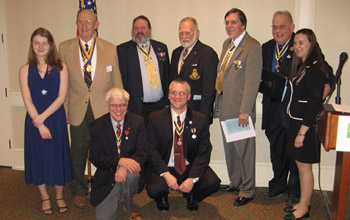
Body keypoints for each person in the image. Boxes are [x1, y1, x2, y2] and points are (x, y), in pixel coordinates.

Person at [260, 11, 334, 206]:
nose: (278, 31)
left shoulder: (302, 46)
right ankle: (278, 186)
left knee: (295, 153)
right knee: (276, 150)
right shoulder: (266, 47)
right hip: (271, 108)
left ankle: (294, 190)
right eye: (275, 27)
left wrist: (328, 85)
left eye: (282, 26)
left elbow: (326, 70)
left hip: (293, 112)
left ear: (291, 27)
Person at [59, 9, 123, 208]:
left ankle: (106, 187)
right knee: (77, 152)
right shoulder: (64, 48)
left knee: (107, 152)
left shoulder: (110, 48)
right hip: (77, 108)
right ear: (76, 24)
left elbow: (116, 80)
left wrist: (119, 107)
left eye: (88, 21)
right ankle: (78, 189)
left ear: (96, 24)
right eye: (80, 22)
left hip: (103, 110)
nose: (84, 25)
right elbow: (63, 82)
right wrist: (64, 108)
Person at [19, 27, 73, 215]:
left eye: (44, 43)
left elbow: (61, 97)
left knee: (58, 158)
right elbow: (27, 100)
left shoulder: (61, 67)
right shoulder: (25, 70)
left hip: (55, 119)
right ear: (32, 45)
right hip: (34, 123)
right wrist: (39, 122)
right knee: (39, 158)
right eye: (36, 43)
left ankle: (59, 196)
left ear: (50, 45)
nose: (40, 46)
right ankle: (44, 197)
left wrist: (43, 118)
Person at [146, 78, 221, 211]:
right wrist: (166, 174)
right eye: (174, 93)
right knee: (154, 188)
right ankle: (162, 197)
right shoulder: (155, 117)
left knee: (213, 182)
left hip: (188, 166)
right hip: (166, 166)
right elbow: (151, 150)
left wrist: (192, 178)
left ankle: (192, 195)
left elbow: (204, 152)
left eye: (182, 93)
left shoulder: (200, 119)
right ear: (169, 95)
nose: (177, 97)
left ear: (188, 96)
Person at [214, 8, 262, 206]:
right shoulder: (228, 44)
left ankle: (248, 190)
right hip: (225, 107)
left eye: (233, 22)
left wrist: (245, 111)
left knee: (244, 152)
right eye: (227, 22)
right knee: (230, 150)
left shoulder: (252, 46)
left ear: (243, 24)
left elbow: (252, 82)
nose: (229, 26)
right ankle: (235, 182)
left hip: (239, 111)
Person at [283, 28, 328, 220]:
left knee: (304, 167)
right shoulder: (303, 66)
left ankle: (303, 208)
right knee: (300, 165)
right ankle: (304, 202)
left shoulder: (316, 69)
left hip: (306, 126)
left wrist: (302, 132)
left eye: (301, 42)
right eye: (295, 43)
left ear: (311, 43)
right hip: (297, 122)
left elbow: (314, 103)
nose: (297, 46)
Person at [89, 88, 147, 220]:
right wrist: (119, 162)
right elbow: (95, 157)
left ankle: (129, 204)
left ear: (127, 105)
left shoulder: (137, 122)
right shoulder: (97, 126)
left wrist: (124, 166)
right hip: (107, 175)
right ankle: (114, 196)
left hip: (130, 172)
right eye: (114, 105)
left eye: (122, 105)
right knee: (103, 218)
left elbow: (143, 151)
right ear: (108, 105)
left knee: (131, 174)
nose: (119, 109)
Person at [117, 15, 170, 125]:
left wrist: (168, 103)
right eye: (136, 28)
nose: (139, 31)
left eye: (143, 28)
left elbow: (167, 75)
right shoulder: (123, 50)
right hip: (136, 107)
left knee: (159, 138)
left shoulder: (161, 47)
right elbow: (120, 80)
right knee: (139, 139)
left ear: (149, 30)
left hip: (160, 106)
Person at [170, 17, 218, 123]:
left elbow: (209, 91)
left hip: (197, 113)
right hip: (177, 112)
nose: (183, 37)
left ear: (197, 33)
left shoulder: (207, 54)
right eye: (181, 33)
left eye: (187, 33)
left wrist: (203, 117)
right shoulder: (176, 53)